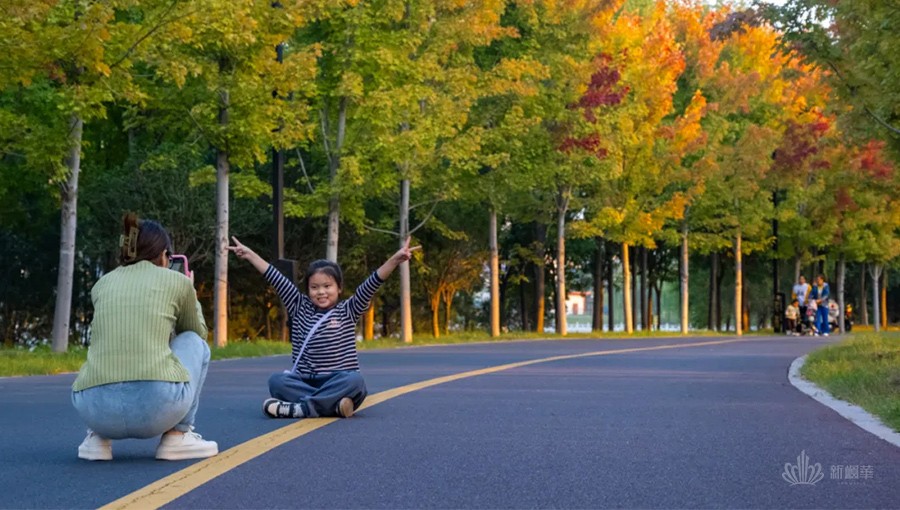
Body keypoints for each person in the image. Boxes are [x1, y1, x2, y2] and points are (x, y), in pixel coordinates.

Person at [72, 214, 217, 461]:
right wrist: (189, 291)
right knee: (195, 343)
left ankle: (96, 439)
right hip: (156, 408)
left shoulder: (102, 284)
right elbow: (196, 333)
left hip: (94, 410)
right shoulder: (177, 281)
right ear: (163, 255)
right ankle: (177, 436)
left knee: (106, 347)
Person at [228, 236, 418, 419]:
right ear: (308, 290)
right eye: (315, 287)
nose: (321, 292)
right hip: (305, 380)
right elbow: (276, 278)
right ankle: (332, 405)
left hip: (337, 380)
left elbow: (371, 284)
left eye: (327, 286)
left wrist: (394, 261)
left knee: (355, 382)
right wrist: (250, 255)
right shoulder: (298, 306)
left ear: (339, 288)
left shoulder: (348, 309)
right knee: (277, 381)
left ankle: (304, 408)